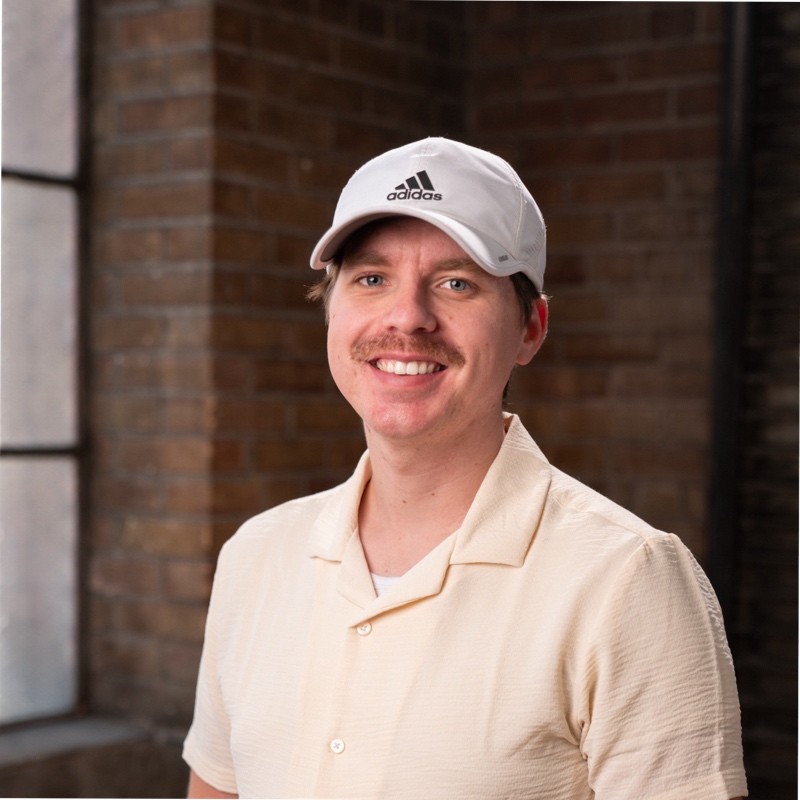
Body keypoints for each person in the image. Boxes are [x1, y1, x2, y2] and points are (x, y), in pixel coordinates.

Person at [183, 137, 747, 799]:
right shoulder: (255, 556)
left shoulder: (628, 580)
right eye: (371, 279)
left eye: (457, 283)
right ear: (331, 310)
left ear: (531, 328)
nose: (407, 318)